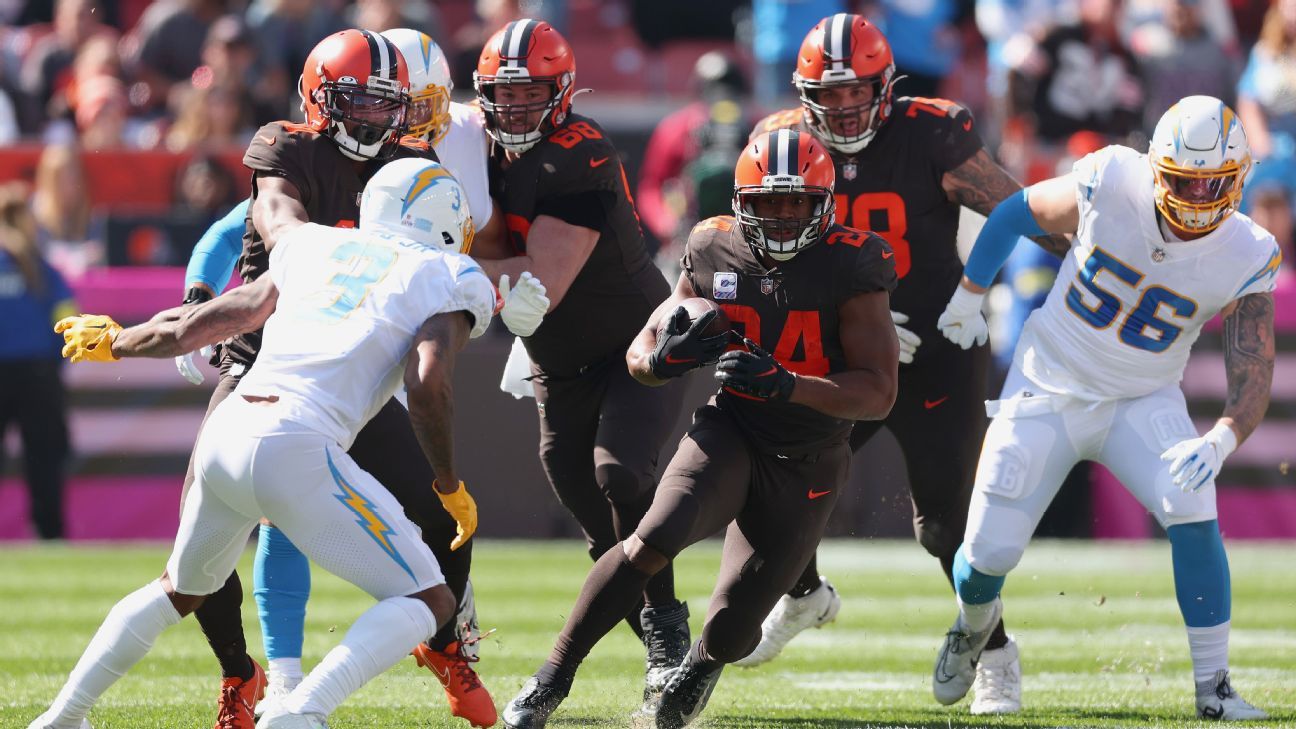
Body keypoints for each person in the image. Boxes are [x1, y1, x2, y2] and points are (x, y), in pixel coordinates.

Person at [31, 157, 496, 729]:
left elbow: (209, 320)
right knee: (431, 600)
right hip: (298, 442)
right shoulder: (450, 273)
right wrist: (447, 485)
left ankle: (62, 716)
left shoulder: (315, 244)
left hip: (226, 433)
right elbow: (426, 385)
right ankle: (300, 712)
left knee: (177, 590)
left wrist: (119, 341)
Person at [163, 29, 507, 729]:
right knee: (202, 528)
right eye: (363, 101)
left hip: (350, 365)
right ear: (323, 101)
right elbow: (244, 225)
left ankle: (442, 644)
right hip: (264, 354)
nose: (381, 119)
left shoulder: (407, 165)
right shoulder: (293, 152)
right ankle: (244, 670)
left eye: (391, 104)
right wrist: (203, 301)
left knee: (441, 515)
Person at [502, 128, 898, 729]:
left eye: (797, 202)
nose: (784, 217)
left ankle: (700, 664)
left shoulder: (853, 262)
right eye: (769, 202)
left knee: (735, 629)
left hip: (809, 456)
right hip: (732, 429)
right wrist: (657, 364)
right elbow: (647, 344)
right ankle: (549, 679)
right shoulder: (714, 246)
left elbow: (878, 393)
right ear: (742, 202)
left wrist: (788, 383)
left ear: (824, 205)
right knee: (651, 539)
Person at [736, 16, 1071, 716]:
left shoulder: (934, 131)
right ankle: (803, 594)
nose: (845, 109)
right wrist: (843, 316)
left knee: (943, 525)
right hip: (844, 348)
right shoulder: (781, 141)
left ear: (886, 88)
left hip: (937, 341)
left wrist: (1090, 250)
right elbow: (756, 256)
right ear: (803, 94)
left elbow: (1020, 211)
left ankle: (996, 651)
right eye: (831, 95)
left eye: (859, 92)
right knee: (781, 480)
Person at [931, 95, 1275, 721]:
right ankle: (979, 634)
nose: (1198, 201)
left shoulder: (1248, 250)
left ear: (1239, 177)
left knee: (1191, 501)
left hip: (1142, 398)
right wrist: (969, 292)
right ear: (1155, 169)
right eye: (1183, 183)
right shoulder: (1113, 176)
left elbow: (1253, 364)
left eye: (1213, 185)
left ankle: (1215, 688)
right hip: (1048, 382)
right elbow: (1014, 212)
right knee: (987, 555)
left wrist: (1221, 437)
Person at [468, 19, 692, 695]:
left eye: (529, 94)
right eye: (502, 96)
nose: (513, 109)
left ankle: (665, 634)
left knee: (619, 476)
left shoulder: (580, 150)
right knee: (598, 526)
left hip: (637, 345)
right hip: (558, 359)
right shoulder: (469, 144)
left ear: (562, 92)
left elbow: (544, 280)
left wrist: (439, 256)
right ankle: (665, 623)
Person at [0, 183, 76, 541]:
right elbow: (67, 321)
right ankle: (49, 535)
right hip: (38, 376)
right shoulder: (42, 269)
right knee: (44, 462)